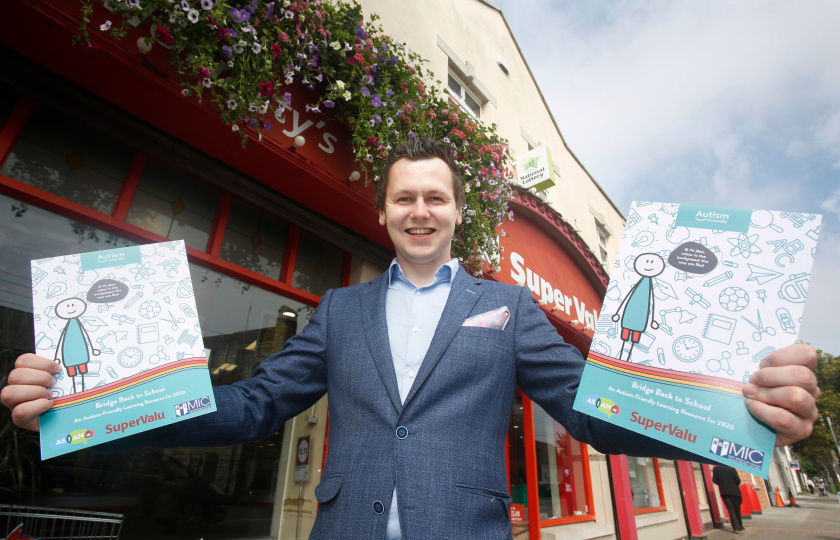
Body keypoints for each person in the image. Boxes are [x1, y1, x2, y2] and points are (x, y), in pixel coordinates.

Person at [2, 138, 821, 539]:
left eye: (436, 197)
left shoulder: (508, 307)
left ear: (459, 212)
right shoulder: (338, 311)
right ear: (384, 213)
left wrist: (740, 416)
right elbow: (252, 406)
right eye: (404, 199)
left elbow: (590, 412)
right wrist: (88, 404)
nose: (420, 210)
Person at [713, 464, 744, 533]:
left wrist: (722, 483)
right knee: (737, 510)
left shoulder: (716, 469)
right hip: (735, 492)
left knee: (731, 510)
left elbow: (715, 480)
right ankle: (740, 526)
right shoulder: (732, 468)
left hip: (724, 492)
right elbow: (738, 481)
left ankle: (735, 527)